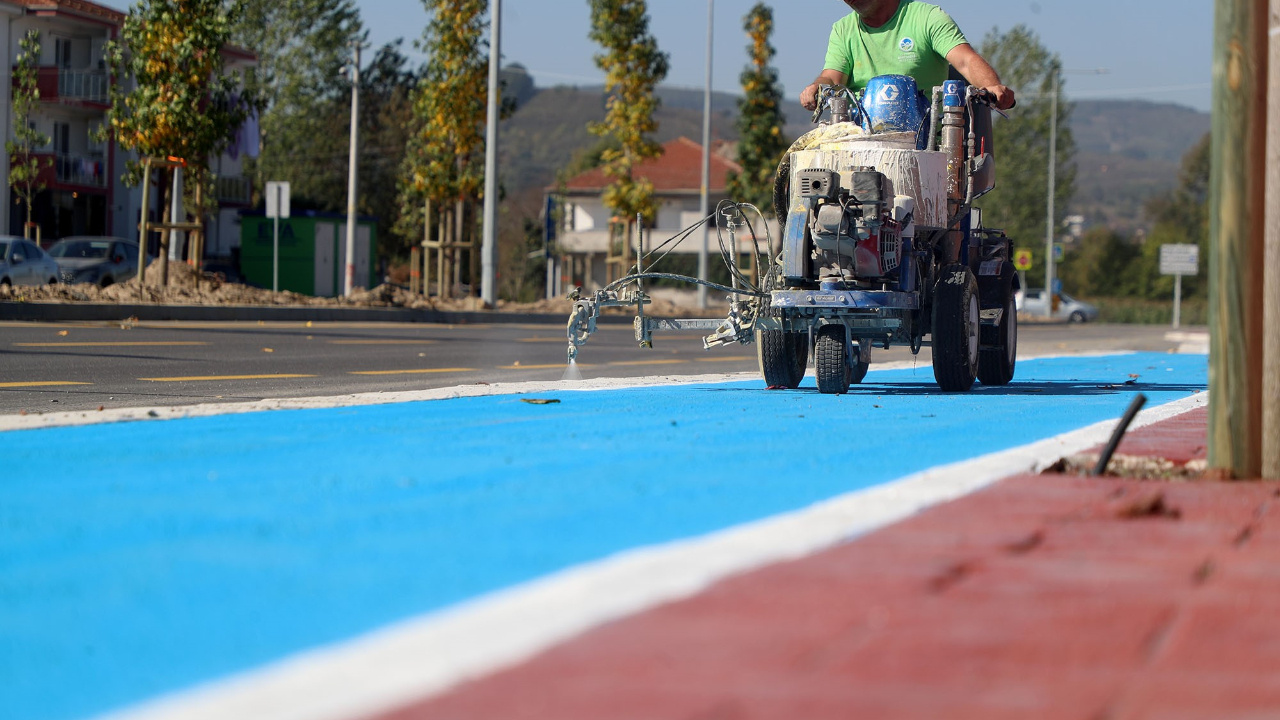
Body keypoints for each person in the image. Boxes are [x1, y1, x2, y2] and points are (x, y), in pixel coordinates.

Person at [800, 0, 1016, 112]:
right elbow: (832, 78)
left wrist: (991, 86)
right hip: (860, 143)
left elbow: (966, 61)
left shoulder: (927, 18)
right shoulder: (842, 29)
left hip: (927, 145)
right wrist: (817, 88)